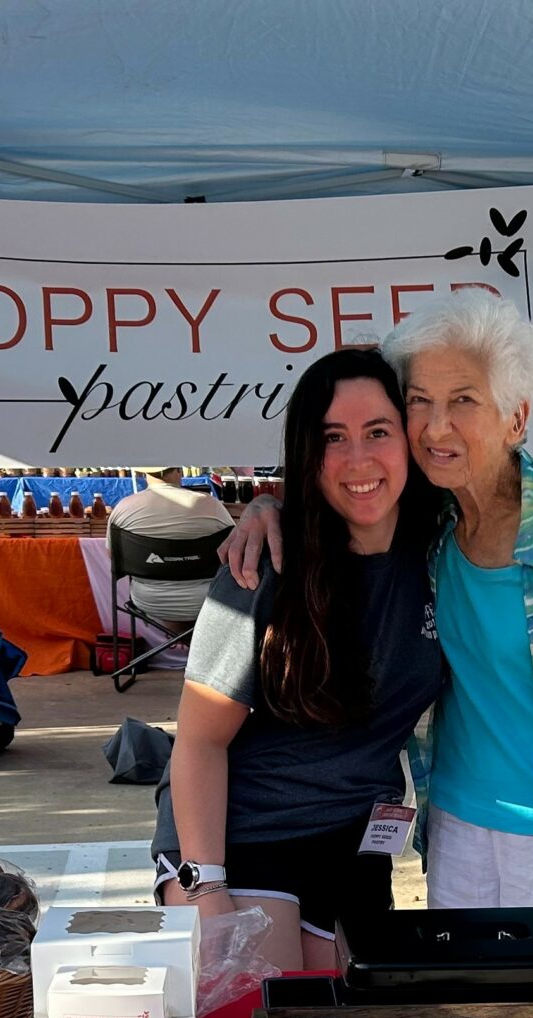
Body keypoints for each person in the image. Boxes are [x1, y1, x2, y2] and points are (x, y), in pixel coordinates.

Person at [224, 291, 533, 950]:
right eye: (420, 401)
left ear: (515, 418)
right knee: (467, 1007)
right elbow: (337, 490)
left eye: (463, 400)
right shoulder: (428, 519)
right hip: (455, 828)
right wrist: (267, 509)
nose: (436, 426)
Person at [159, 350, 444, 973]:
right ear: (307, 454)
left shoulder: (440, 551)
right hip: (240, 833)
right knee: (277, 1015)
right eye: (332, 438)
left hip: (355, 841)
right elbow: (200, 741)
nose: (358, 460)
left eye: (378, 432)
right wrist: (208, 892)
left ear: (410, 439)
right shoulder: (267, 561)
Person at [105, 466, 232, 634]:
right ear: (178, 470)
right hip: (209, 599)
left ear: (143, 472)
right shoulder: (211, 505)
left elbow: (113, 556)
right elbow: (234, 550)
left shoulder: (123, 508)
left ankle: (180, 640)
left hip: (148, 601)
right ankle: (198, 644)